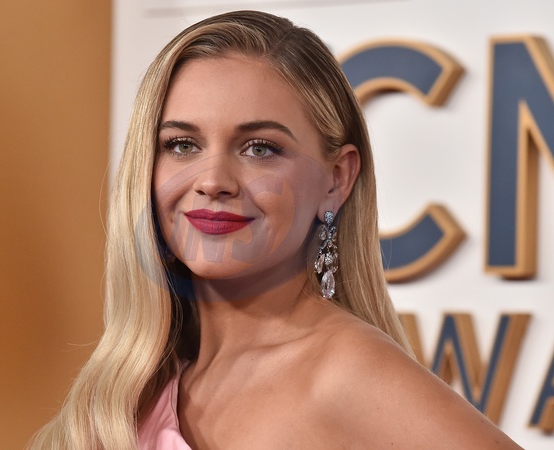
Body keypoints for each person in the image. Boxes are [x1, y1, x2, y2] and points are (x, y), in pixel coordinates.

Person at [31, 10, 522, 449]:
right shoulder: (138, 382)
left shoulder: (347, 374)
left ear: (336, 179)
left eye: (260, 148)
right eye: (182, 145)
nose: (213, 181)